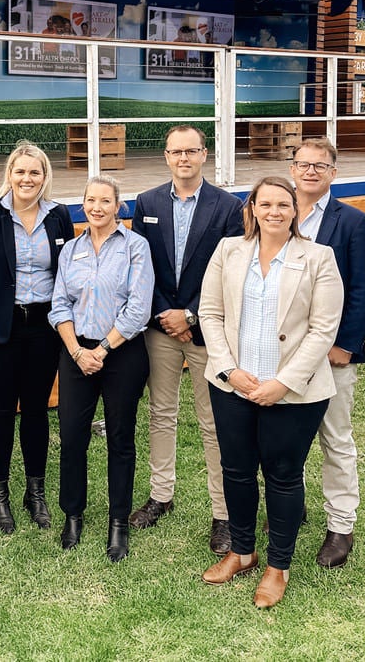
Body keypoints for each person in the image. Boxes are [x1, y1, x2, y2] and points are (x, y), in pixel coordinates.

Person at [198, 176, 342, 609]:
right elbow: (210, 312)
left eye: (284, 204)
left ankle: (277, 566)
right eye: (266, 204)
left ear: (295, 210)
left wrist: (283, 383)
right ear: (253, 209)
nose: (274, 211)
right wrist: (228, 370)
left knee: (283, 476)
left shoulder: (319, 257)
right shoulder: (229, 251)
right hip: (233, 386)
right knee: (237, 470)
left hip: (294, 394)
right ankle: (242, 552)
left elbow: (322, 329)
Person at [130, 126, 244, 555]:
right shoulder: (148, 202)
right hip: (161, 328)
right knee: (161, 414)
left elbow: (231, 271)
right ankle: (161, 496)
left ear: (204, 154)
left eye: (191, 151)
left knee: (214, 423)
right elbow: (141, 265)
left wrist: (191, 314)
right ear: (166, 157)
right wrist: (167, 313)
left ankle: (223, 514)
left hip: (207, 331)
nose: (183, 158)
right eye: (175, 152)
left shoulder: (229, 207)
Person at [0, 142, 74, 533]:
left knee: (38, 409)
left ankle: (35, 492)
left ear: (45, 177)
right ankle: (0, 495)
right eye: (20, 172)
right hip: (0, 329)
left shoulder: (58, 217)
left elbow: (66, 270)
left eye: (35, 173)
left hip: (44, 326)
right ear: (9, 174)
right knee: (2, 409)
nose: (27, 179)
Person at [49, 175, 154, 562]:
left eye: (105, 201)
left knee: (120, 440)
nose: (97, 207)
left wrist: (103, 349)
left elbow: (138, 308)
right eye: (90, 200)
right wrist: (77, 350)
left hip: (122, 354)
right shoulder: (70, 250)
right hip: (76, 353)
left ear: (118, 206)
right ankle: (72, 515)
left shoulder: (135, 248)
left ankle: (118, 522)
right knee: (73, 436)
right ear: (83, 204)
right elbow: (59, 303)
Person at [290, 137, 365, 569]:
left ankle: (340, 525)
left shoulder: (353, 222)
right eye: (304, 164)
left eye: (320, 165)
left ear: (333, 172)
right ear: (292, 168)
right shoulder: (275, 212)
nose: (310, 171)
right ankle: (293, 507)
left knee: (335, 439)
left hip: (330, 354)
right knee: (287, 439)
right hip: (282, 352)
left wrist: (345, 344)